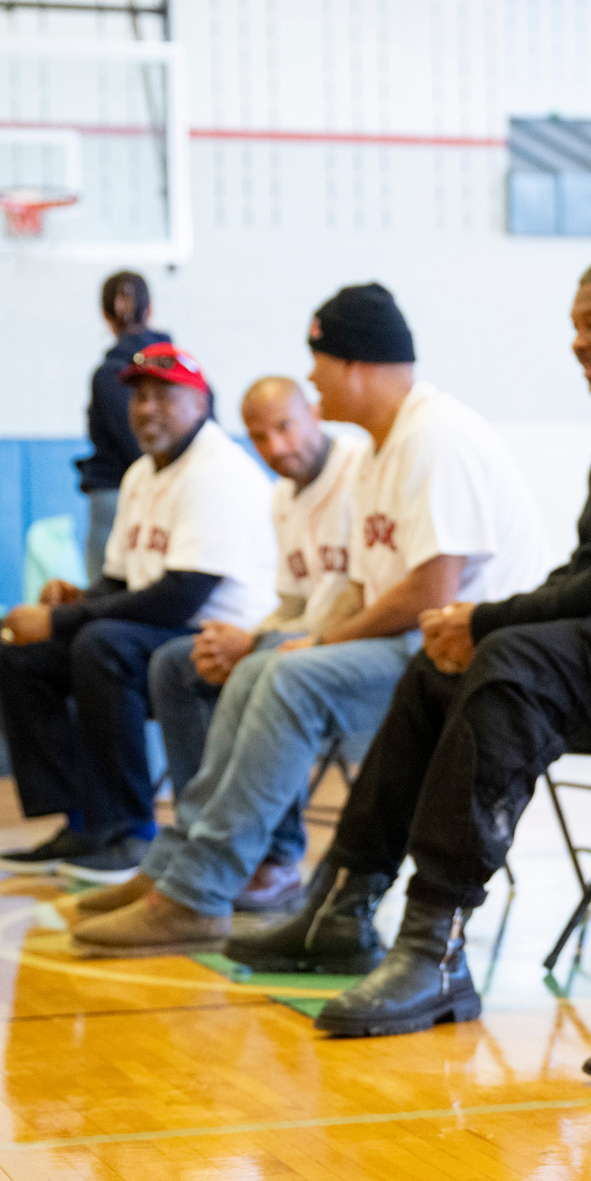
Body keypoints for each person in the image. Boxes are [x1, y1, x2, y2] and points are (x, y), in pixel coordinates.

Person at [260, 251, 591, 1036]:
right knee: (437, 669)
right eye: (574, 326)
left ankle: (434, 941)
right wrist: (475, 625)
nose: (578, 342)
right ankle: (344, 898)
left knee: (510, 659)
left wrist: (486, 621)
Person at [64, 284, 551, 958]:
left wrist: (313, 642)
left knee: (292, 676)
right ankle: (180, 872)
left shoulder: (434, 438)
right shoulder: (383, 447)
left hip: (471, 654)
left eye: (317, 361)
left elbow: (428, 593)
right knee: (267, 664)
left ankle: (199, 890)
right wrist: (287, 638)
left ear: (353, 364)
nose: (313, 379)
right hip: (413, 641)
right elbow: (358, 586)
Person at [65, 377, 365, 910]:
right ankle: (194, 844)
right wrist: (251, 637)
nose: (276, 448)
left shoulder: (359, 472)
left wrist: (260, 641)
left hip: (353, 640)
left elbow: (360, 599)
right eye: (260, 437)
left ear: (313, 414)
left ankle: (275, 858)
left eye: (284, 428)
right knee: (179, 663)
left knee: (271, 669)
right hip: (299, 634)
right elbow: (292, 604)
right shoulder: (280, 495)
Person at [0, 343, 278, 878]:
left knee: (103, 645)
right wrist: (77, 598)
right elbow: (122, 581)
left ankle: (129, 833)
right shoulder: (141, 475)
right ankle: (83, 823)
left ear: (200, 402)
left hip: (221, 639)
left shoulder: (217, 471)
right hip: (164, 629)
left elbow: (181, 595)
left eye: (163, 395)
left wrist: (59, 621)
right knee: (25, 655)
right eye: (138, 396)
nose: (146, 408)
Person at [77, 271, 167, 578]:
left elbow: (136, 447)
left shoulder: (107, 375)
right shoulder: (184, 369)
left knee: (108, 595)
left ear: (105, 315)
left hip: (120, 494)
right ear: (150, 309)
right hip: (163, 492)